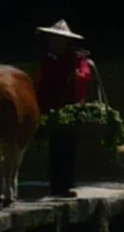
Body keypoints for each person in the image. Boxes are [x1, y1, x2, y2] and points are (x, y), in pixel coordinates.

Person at [35, 18, 97, 196]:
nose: (55, 43)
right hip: (52, 107)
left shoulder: (77, 58)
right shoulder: (47, 59)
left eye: (59, 40)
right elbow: (40, 81)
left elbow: (85, 73)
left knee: (68, 146)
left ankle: (67, 184)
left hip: (71, 108)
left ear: (65, 42)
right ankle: (56, 187)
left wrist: (79, 75)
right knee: (55, 147)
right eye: (53, 40)